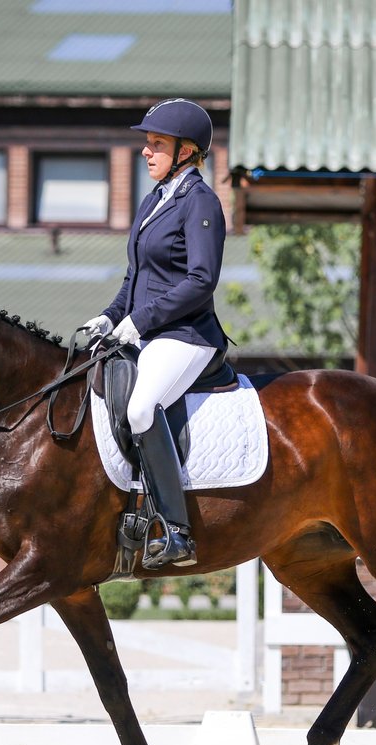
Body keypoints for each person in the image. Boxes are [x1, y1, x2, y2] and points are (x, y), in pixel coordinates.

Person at [81, 98, 227, 569]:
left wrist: (140, 321)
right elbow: (136, 276)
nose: (146, 152)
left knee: (143, 407)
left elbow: (201, 281)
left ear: (186, 152)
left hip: (187, 335)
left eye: (157, 144)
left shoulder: (200, 202)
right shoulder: (154, 199)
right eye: (147, 143)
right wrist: (109, 316)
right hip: (149, 332)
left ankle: (177, 530)